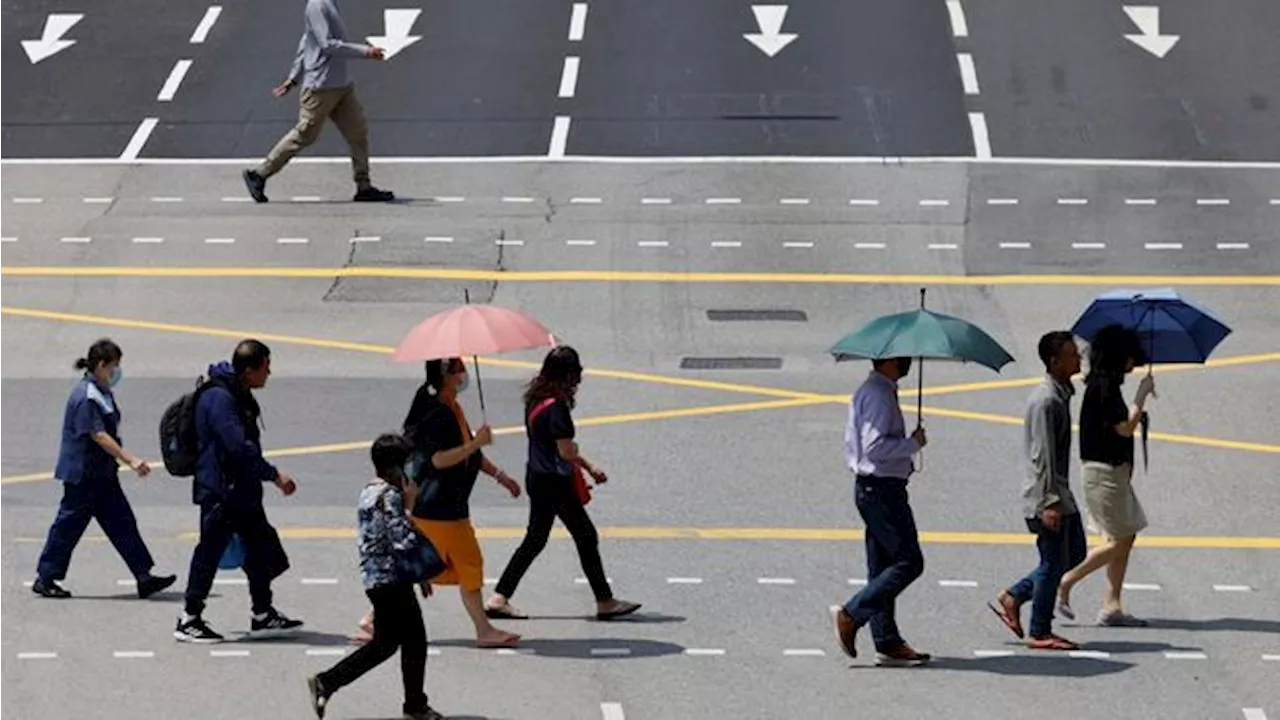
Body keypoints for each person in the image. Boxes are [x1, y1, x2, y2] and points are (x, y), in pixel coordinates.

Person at [354, 358, 522, 649]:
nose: (463, 374)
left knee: (424, 565)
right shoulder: (439, 414)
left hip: (442, 505)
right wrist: (476, 443)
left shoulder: (449, 405)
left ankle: (372, 620)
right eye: (458, 369)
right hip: (440, 506)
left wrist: (500, 476)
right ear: (448, 377)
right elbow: (440, 458)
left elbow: (468, 453)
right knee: (468, 563)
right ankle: (483, 630)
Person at [485, 346, 641, 621]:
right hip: (555, 482)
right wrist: (590, 466)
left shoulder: (535, 399)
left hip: (536, 476)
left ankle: (499, 597)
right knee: (585, 536)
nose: (578, 381)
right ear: (566, 375)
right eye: (576, 374)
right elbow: (566, 451)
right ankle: (604, 601)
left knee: (535, 540)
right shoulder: (556, 407)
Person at [307, 434, 445, 720]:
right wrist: (410, 505)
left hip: (377, 579)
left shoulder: (370, 490)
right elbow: (400, 538)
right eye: (406, 464)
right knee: (414, 641)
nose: (410, 470)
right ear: (395, 466)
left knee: (385, 644)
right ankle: (415, 706)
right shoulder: (390, 496)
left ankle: (328, 682)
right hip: (391, 580)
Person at [175, 340, 304, 643]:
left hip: (241, 490)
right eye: (265, 367)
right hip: (222, 492)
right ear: (248, 370)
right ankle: (189, 618)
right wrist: (273, 475)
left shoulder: (237, 393)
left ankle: (263, 613)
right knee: (209, 551)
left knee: (260, 548)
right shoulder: (220, 399)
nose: (269, 373)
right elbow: (237, 448)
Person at [32, 339, 177, 600]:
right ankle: (46, 577)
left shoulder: (101, 390)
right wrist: (130, 460)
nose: (116, 372)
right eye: (113, 367)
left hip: (101, 475)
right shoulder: (86, 397)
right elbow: (98, 434)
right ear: (100, 365)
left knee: (123, 523)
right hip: (84, 475)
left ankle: (143, 576)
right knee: (68, 527)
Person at [988, 332, 1087, 650]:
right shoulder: (1047, 400)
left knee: (1075, 554)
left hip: (1058, 492)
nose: (1079, 359)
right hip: (1047, 496)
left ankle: (1014, 595)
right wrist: (1050, 502)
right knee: (1052, 563)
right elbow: (1042, 455)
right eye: (1072, 355)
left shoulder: (1060, 394)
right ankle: (1040, 630)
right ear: (1055, 362)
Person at [242, 0, 395, 204]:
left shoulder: (329, 3)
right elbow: (326, 44)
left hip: (341, 86)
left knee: (358, 132)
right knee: (304, 135)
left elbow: (307, 40)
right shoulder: (317, 6)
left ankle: (364, 186)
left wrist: (293, 77)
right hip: (320, 88)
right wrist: (365, 51)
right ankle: (259, 174)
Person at [833, 357, 931, 667]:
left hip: (878, 488)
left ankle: (886, 640)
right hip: (881, 490)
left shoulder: (880, 390)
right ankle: (851, 613)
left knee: (882, 567)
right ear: (887, 360)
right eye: (902, 357)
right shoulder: (877, 395)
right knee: (909, 562)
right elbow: (874, 447)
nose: (909, 361)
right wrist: (911, 444)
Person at [1057, 325, 1156, 627]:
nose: (1134, 362)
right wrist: (1141, 396)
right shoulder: (1104, 388)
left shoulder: (1102, 385)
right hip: (1105, 474)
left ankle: (1112, 604)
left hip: (1109, 473)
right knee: (1122, 540)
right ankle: (1067, 580)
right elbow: (1123, 427)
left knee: (1121, 535)